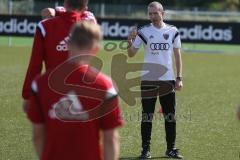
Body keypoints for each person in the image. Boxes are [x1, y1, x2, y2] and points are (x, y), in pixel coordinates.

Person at [27, 21, 123, 160]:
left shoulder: (40, 83)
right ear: (96, 48)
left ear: (68, 44)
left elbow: (37, 136)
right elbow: (110, 139)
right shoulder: (106, 86)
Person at [127, 1, 183, 159]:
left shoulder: (173, 31)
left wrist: (179, 77)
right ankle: (145, 150)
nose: (152, 16)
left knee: (170, 116)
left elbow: (177, 56)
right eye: (149, 14)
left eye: (155, 13)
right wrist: (129, 41)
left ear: (162, 13)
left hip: (168, 80)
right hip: (148, 80)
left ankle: (170, 149)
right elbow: (131, 54)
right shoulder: (143, 31)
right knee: (147, 116)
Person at [22, 0, 96, 112]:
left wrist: (28, 95)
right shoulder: (89, 24)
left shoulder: (44, 26)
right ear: (85, 6)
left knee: (49, 128)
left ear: (65, 3)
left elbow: (35, 65)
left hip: (52, 93)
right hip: (83, 92)